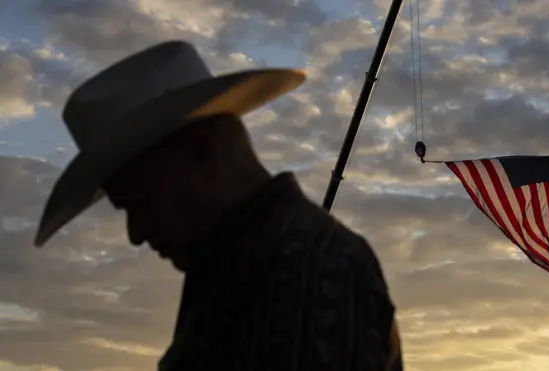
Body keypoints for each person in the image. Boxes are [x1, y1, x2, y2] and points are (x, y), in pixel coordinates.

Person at [34, 40, 403, 370]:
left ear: (203, 154)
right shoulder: (259, 267)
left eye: (141, 202)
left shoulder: (314, 270)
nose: (136, 233)